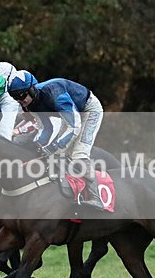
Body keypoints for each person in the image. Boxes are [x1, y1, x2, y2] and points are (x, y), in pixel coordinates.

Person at [7, 70, 105, 210]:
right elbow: (46, 129)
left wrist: (53, 146)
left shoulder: (55, 93)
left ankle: (96, 198)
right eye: (15, 98)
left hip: (88, 111)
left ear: (32, 89)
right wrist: (38, 146)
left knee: (78, 155)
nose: (20, 100)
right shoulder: (30, 105)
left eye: (22, 95)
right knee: (56, 154)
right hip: (70, 115)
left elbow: (74, 126)